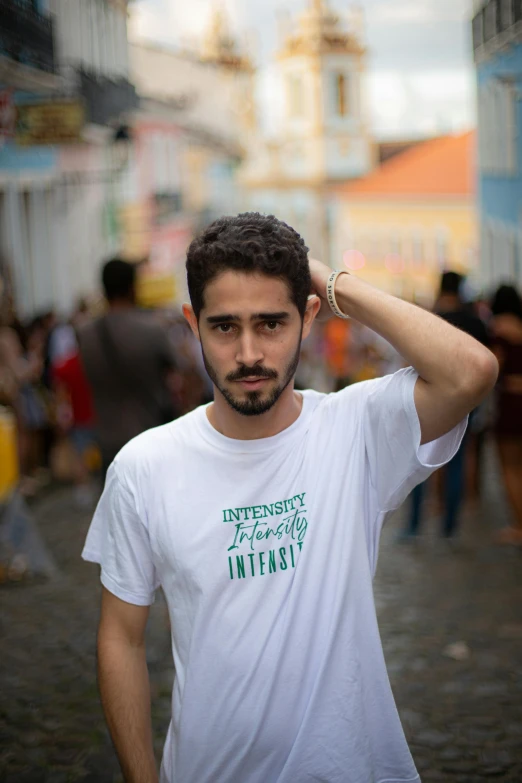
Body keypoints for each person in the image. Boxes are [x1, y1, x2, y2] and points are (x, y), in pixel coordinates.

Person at [82, 214, 497, 783]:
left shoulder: (355, 429)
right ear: (192, 324)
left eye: (271, 323)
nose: (249, 353)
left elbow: (472, 371)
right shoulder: (144, 467)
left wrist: (333, 283)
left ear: (306, 317)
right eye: (224, 327)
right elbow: (121, 637)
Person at [401, 271, 490, 540]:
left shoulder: (430, 319)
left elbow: (412, 360)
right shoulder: (475, 322)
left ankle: (413, 526)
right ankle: (449, 527)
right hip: (464, 401)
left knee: (417, 464)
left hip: (429, 401)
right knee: (457, 462)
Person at [78, 258, 179, 477]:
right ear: (133, 287)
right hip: (150, 435)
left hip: (106, 439)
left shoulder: (85, 335)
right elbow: (180, 374)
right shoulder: (152, 330)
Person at [490, 284, 522, 544]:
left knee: (510, 467)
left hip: (511, 403)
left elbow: (492, 366)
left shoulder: (500, 329)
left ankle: (519, 525)